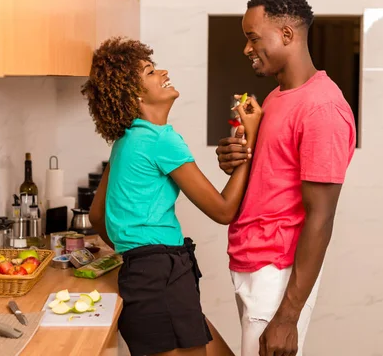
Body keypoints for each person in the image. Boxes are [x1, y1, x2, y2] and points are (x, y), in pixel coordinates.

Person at [82, 37, 262, 356]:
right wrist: (251, 142)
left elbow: (97, 215)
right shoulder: (161, 140)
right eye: (151, 71)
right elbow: (223, 210)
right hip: (161, 275)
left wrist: (134, 249)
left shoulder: (126, 140)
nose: (163, 71)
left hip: (150, 276)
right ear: (135, 93)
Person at [215, 0, 357, 356]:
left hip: (276, 274)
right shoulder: (277, 98)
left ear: (287, 34)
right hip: (250, 260)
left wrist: (287, 316)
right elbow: (270, 177)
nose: (246, 48)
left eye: (252, 38)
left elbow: (321, 217)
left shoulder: (323, 108)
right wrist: (238, 154)